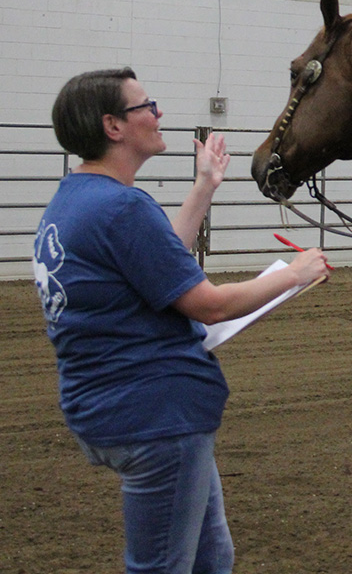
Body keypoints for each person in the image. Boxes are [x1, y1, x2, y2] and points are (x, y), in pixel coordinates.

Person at [31, 67, 330, 574]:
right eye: (146, 105)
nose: (158, 112)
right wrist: (294, 274)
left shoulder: (79, 199)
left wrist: (205, 185)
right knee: (164, 567)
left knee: (211, 559)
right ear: (114, 126)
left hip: (118, 408)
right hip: (155, 418)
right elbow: (208, 305)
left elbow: (158, 259)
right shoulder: (121, 208)